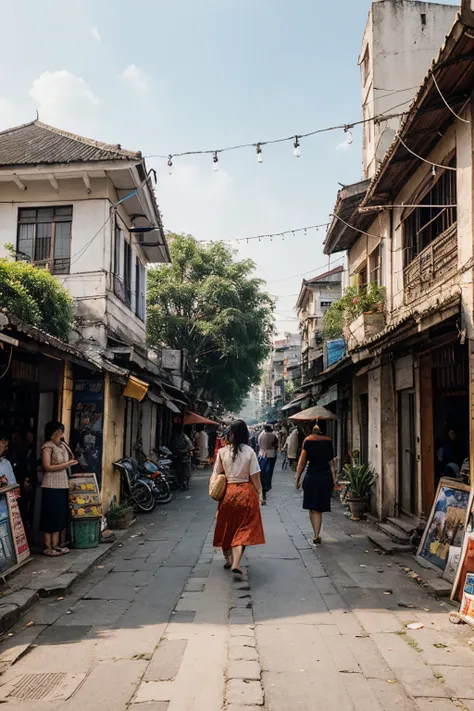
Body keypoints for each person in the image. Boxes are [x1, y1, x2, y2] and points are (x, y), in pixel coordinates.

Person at [212, 419, 265, 578]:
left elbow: (217, 474)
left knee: (227, 526)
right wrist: (260, 494)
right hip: (246, 494)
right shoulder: (250, 452)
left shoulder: (222, 452)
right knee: (244, 528)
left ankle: (229, 559)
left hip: (228, 494)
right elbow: (255, 478)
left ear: (231, 434)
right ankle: (235, 562)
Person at [295, 424, 336, 545]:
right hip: (325, 476)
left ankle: (316, 534)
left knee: (313, 507)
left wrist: (297, 479)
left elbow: (301, 463)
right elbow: (331, 463)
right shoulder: (328, 441)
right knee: (319, 508)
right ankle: (317, 534)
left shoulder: (307, 441)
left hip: (312, 476)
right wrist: (334, 479)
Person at [41, 421, 77, 557]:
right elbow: (47, 466)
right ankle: (47, 545)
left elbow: (71, 457)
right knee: (50, 515)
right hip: (51, 484)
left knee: (59, 516)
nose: (62, 434)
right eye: (60, 432)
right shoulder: (47, 447)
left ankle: (56, 544)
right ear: (55, 433)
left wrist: (64, 444)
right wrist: (66, 464)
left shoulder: (62, 446)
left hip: (62, 484)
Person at [258, 424, 279, 503]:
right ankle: (267, 486)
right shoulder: (273, 435)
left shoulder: (261, 435)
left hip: (262, 454)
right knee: (269, 471)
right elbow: (276, 445)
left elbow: (259, 444)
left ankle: (263, 488)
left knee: (263, 471)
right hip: (271, 454)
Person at [171, 424, 194, 491]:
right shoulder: (174, 436)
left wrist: (183, 451)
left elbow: (190, 446)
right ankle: (181, 483)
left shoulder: (184, 436)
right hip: (177, 457)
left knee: (185, 472)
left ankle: (185, 484)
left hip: (184, 457)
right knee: (179, 471)